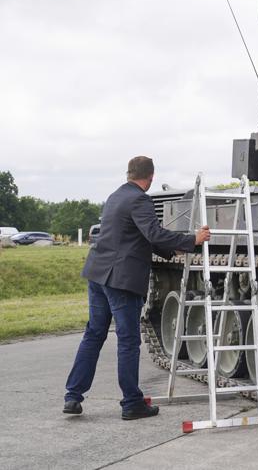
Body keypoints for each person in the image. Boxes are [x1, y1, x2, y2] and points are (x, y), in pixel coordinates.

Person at [63, 156, 210, 419]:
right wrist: (192, 239)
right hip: (121, 280)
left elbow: (136, 236)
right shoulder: (141, 199)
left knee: (94, 334)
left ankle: (72, 396)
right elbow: (153, 233)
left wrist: (171, 248)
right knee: (128, 340)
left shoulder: (115, 197)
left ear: (129, 173)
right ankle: (132, 403)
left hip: (98, 274)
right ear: (150, 177)